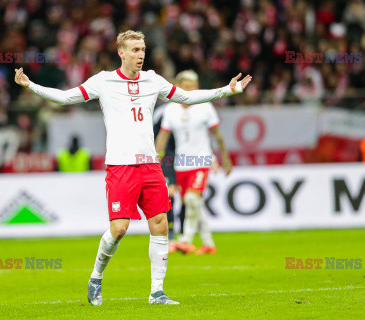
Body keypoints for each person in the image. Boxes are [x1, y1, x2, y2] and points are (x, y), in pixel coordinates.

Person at [14, 30, 251, 305]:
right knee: (119, 229)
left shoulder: (153, 80)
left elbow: (186, 97)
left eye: (143, 50)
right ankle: (96, 277)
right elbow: (66, 98)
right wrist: (31, 85)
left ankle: (157, 292)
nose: (141, 55)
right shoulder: (103, 81)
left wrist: (227, 90)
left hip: (150, 165)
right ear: (121, 52)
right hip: (120, 167)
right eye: (135, 50)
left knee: (160, 225)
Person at [155, 70, 232, 255]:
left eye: (191, 86)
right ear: (178, 86)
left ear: (197, 87)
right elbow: (163, 137)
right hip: (181, 163)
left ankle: (185, 240)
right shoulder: (171, 108)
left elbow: (218, 135)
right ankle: (208, 244)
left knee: (191, 199)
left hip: (201, 160)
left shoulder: (205, 106)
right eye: (184, 86)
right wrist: (155, 158)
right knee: (194, 203)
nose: (188, 90)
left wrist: (225, 159)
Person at [153, 104, 179, 252]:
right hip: (167, 159)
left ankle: (183, 235)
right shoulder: (161, 113)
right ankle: (171, 233)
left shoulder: (193, 108)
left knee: (190, 197)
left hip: (187, 158)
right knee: (170, 195)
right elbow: (155, 137)